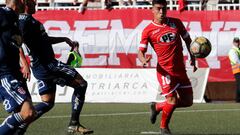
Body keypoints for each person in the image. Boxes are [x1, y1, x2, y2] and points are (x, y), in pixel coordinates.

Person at [18, 0, 93, 134]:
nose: (35, 3)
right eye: (33, 1)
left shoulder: (31, 21)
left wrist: (63, 39)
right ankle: (74, 124)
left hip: (40, 67)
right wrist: (24, 62)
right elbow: (17, 41)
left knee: (47, 102)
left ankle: (20, 124)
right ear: (25, 3)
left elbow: (44, 40)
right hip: (48, 65)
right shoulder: (24, 20)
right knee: (81, 85)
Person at [137, 0, 197, 134]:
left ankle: (157, 107)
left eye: (164, 8)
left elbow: (188, 41)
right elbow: (141, 51)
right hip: (165, 71)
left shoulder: (176, 23)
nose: (161, 12)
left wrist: (193, 56)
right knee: (172, 99)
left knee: (188, 101)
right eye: (158, 9)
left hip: (180, 70)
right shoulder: (148, 30)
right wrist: (143, 60)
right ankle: (164, 127)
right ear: (152, 10)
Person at [0, 0, 36, 134]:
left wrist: (23, 62)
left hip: (15, 72)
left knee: (26, 115)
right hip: (5, 73)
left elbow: (16, 45)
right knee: (28, 113)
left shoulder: (15, 19)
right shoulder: (3, 13)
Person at [228, 37, 240, 102]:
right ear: (233, 42)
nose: (237, 43)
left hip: (238, 69)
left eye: (238, 41)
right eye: (236, 42)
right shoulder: (232, 50)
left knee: (239, 84)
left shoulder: (238, 49)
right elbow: (235, 61)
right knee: (239, 84)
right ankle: (238, 99)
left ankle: (238, 99)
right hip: (237, 70)